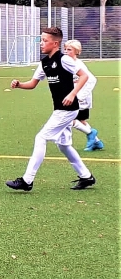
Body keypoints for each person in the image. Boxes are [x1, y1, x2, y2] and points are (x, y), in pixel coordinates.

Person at [6, 27, 96, 192]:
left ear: (55, 43)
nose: (41, 43)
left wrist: (72, 94)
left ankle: (27, 180)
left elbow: (84, 76)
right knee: (63, 145)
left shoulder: (65, 59)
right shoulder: (44, 63)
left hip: (67, 109)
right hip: (60, 109)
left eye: (45, 40)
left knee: (41, 137)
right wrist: (19, 85)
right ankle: (86, 176)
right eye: (41, 40)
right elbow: (32, 84)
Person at [63, 39, 103, 151]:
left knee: (67, 118)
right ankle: (97, 142)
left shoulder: (78, 64)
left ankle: (91, 133)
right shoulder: (67, 62)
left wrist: (80, 97)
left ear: (77, 51)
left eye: (69, 50)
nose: (66, 51)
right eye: (65, 49)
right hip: (74, 95)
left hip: (80, 97)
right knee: (81, 120)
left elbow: (91, 80)